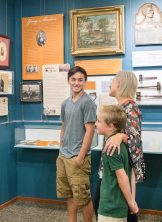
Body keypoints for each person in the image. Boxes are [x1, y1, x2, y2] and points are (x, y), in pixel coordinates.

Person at [93, 71, 145, 222]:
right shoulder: (121, 106)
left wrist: (122, 136)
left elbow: (136, 143)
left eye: (113, 80)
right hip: (114, 167)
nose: (110, 84)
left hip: (121, 169)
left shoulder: (130, 107)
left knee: (124, 210)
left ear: (120, 84)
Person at [56, 66, 97, 222]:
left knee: (83, 197)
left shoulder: (87, 103)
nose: (76, 83)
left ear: (85, 82)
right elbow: (64, 128)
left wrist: (80, 156)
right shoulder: (65, 103)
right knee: (69, 193)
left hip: (78, 157)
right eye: (73, 79)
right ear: (68, 81)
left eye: (80, 80)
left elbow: (90, 131)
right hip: (64, 156)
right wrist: (60, 153)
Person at [95, 105, 138, 222]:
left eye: (99, 121)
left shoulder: (111, 146)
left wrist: (131, 203)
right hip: (117, 206)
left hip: (111, 208)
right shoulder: (119, 144)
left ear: (111, 126)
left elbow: (123, 177)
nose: (96, 123)